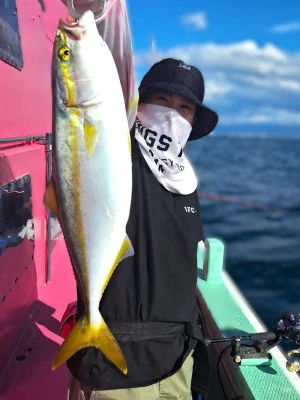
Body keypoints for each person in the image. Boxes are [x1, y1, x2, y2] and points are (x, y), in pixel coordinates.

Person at [66, 58, 218, 400]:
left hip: (178, 360)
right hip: (116, 366)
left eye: (184, 106)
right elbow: (85, 137)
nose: (172, 113)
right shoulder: (116, 153)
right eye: (162, 100)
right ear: (140, 103)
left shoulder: (182, 177)